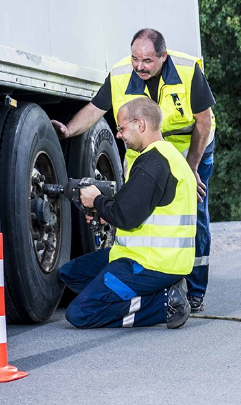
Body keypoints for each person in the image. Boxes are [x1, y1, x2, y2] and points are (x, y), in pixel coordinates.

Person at [52, 28, 215, 313]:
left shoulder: (188, 71)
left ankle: (194, 292)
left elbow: (204, 122)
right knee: (142, 206)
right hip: (145, 151)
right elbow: (95, 109)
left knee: (194, 212)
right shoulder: (119, 75)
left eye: (148, 60)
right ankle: (150, 276)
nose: (139, 66)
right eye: (135, 58)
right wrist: (69, 130)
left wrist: (191, 167)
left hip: (190, 148)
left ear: (164, 57)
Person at [59, 97, 197, 329]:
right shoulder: (168, 157)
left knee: (80, 314)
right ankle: (148, 293)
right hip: (142, 256)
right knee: (70, 273)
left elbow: (127, 216)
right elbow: (137, 207)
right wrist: (105, 212)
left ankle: (165, 304)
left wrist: (97, 200)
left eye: (122, 128)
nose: (119, 134)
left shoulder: (153, 161)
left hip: (151, 264)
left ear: (140, 125)